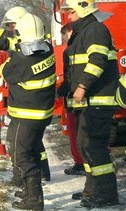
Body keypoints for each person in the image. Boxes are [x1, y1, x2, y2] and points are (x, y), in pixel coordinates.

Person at [0, 7, 52, 183]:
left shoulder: (26, 52)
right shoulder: (41, 44)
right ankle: (42, 171)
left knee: (21, 148)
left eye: (12, 25)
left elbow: (8, 72)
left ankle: (30, 183)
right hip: (40, 107)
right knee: (35, 143)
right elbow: (5, 39)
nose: (10, 29)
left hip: (27, 108)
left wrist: (8, 60)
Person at [60, 0, 120, 207]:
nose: (69, 16)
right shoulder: (83, 32)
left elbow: (97, 62)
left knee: (93, 145)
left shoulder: (95, 30)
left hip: (98, 99)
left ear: (83, 9)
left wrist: (83, 86)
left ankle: (107, 194)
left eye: (71, 12)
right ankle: (92, 189)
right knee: (85, 145)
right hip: (88, 101)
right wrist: (64, 90)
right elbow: (75, 69)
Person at [0, 13, 56, 211]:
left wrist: (12, 55)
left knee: (20, 153)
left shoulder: (22, 59)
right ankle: (28, 190)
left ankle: (34, 197)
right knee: (31, 149)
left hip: (26, 115)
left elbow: (5, 72)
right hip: (41, 114)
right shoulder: (48, 50)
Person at [57, 24, 86, 176]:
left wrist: (59, 91)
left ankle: (81, 164)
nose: (63, 39)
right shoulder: (84, 46)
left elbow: (69, 77)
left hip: (76, 98)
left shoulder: (70, 51)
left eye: (64, 35)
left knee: (76, 133)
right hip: (84, 97)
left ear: (70, 32)